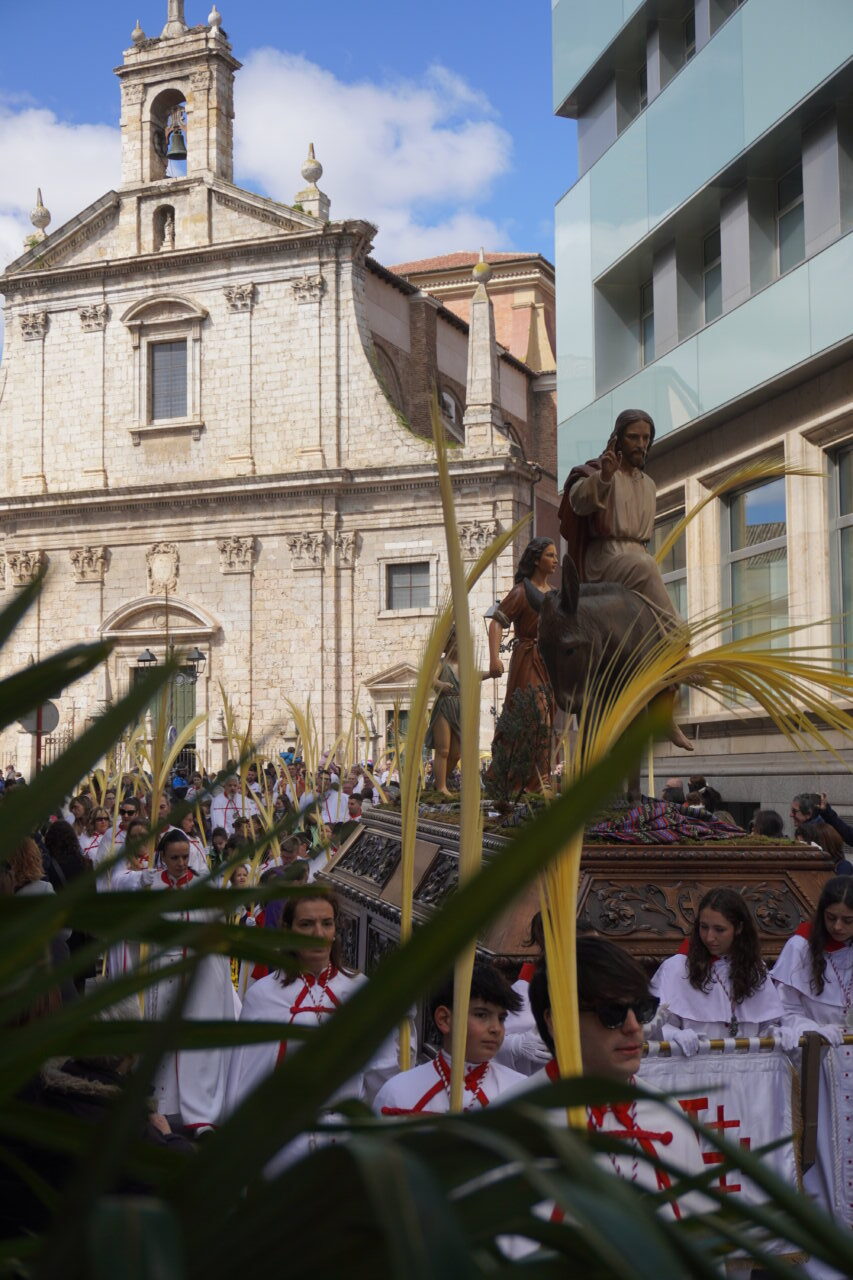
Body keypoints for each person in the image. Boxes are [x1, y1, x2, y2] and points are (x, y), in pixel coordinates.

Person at [524, 939, 708, 1221]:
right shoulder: (516, 1126)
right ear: (556, 1020)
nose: (634, 1027)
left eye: (642, 1009)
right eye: (612, 1013)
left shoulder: (667, 1115)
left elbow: (701, 1235)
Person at [225, 890, 399, 1169]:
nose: (318, 933)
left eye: (326, 923)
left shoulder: (361, 991)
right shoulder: (263, 995)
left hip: (346, 1143)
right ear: (288, 930)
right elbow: (244, 1083)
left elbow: (382, 1074)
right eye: (306, 924)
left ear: (335, 929)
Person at [142, 829, 238, 1133]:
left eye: (185, 857)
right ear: (163, 857)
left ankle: (200, 1112)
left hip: (200, 977)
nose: (181, 863)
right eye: (174, 858)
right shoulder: (152, 886)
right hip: (165, 974)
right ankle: (165, 1106)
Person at [559, 408, 675, 619]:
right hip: (605, 557)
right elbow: (578, 501)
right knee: (646, 567)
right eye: (633, 437)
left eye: (646, 438)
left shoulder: (649, 484)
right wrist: (603, 477)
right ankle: (676, 631)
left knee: (647, 567)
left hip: (639, 556)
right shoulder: (597, 472)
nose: (641, 444)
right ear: (618, 439)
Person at [374, 962, 525, 1115]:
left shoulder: (520, 1091)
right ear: (444, 1019)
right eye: (481, 1015)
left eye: (501, 1018)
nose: (496, 1028)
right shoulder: (399, 1093)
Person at [649, 888, 788, 1053]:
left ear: (738, 928)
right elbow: (655, 1026)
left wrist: (773, 1034)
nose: (709, 937)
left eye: (719, 930)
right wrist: (675, 1035)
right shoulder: (677, 968)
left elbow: (766, 1025)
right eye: (704, 927)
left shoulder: (755, 969)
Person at [487, 537, 557, 791]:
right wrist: (494, 658)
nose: (555, 560)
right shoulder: (521, 592)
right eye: (550, 555)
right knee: (535, 716)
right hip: (528, 659)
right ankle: (534, 782)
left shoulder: (555, 594)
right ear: (536, 560)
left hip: (549, 662)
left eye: (555, 555)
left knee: (547, 717)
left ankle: (538, 777)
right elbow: (497, 622)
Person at [771, 876, 853, 1038]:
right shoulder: (801, 946)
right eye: (831, 918)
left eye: (848, 920)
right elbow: (785, 1008)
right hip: (815, 1045)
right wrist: (814, 1032)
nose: (837, 927)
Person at [425, 632, 461, 796]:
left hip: (459, 708)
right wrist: (441, 684)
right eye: (455, 643)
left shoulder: (463, 665)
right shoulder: (441, 663)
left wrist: (491, 673)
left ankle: (439, 781)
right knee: (443, 750)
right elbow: (430, 679)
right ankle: (441, 787)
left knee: (456, 753)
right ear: (447, 645)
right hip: (444, 706)